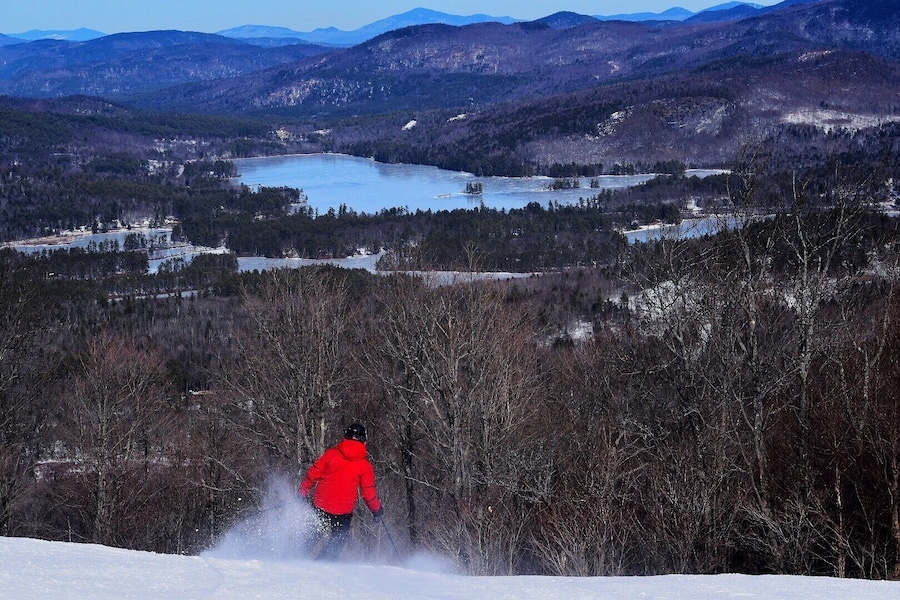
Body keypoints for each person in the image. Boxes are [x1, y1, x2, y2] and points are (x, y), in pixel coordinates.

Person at [299, 422, 384, 560]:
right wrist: (377, 510)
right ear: (364, 441)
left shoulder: (331, 454)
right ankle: (323, 567)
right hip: (343, 512)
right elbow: (368, 494)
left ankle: (294, 560)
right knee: (337, 543)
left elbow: (312, 474)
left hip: (321, 505)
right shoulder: (365, 466)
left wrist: (302, 493)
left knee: (311, 537)